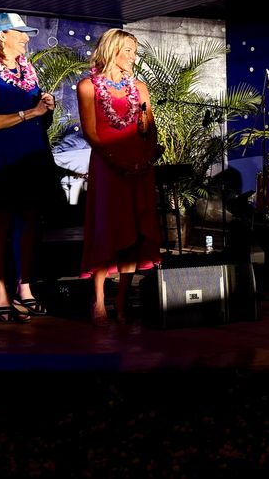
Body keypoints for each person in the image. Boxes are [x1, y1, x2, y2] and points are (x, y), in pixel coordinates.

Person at [0, 12, 59, 323]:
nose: (26, 37)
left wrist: (45, 108)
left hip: (32, 155)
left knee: (31, 221)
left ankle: (25, 288)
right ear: (2, 35)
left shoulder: (27, 69)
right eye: (19, 32)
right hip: (2, 157)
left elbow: (37, 116)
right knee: (1, 222)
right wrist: (30, 112)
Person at [77, 29, 163, 326]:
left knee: (134, 235)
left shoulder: (140, 87)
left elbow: (150, 129)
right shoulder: (87, 86)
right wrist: (117, 161)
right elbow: (91, 132)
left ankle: (122, 299)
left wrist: (146, 157)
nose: (133, 57)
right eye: (128, 50)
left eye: (134, 51)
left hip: (138, 168)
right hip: (108, 167)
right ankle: (98, 299)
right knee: (108, 231)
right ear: (112, 50)